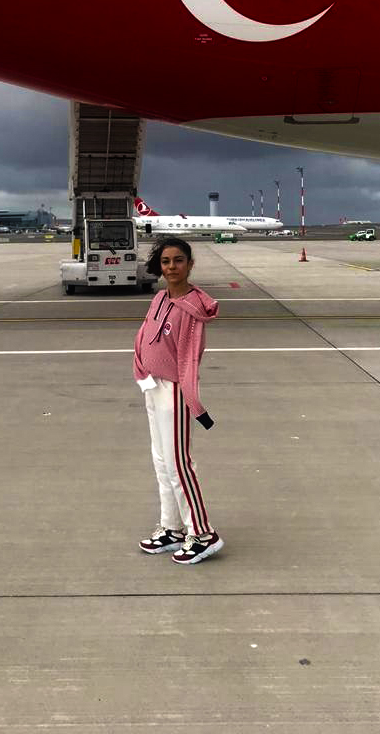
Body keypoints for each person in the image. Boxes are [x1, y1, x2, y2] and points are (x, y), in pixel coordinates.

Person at [133, 236, 223, 564]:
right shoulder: (159, 298)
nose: (172, 267)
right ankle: (172, 528)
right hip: (152, 386)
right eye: (166, 261)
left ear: (190, 264)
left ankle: (203, 533)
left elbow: (189, 359)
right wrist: (141, 373)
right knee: (161, 461)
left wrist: (191, 400)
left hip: (175, 391)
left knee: (179, 465)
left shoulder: (193, 309)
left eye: (178, 260)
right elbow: (143, 336)